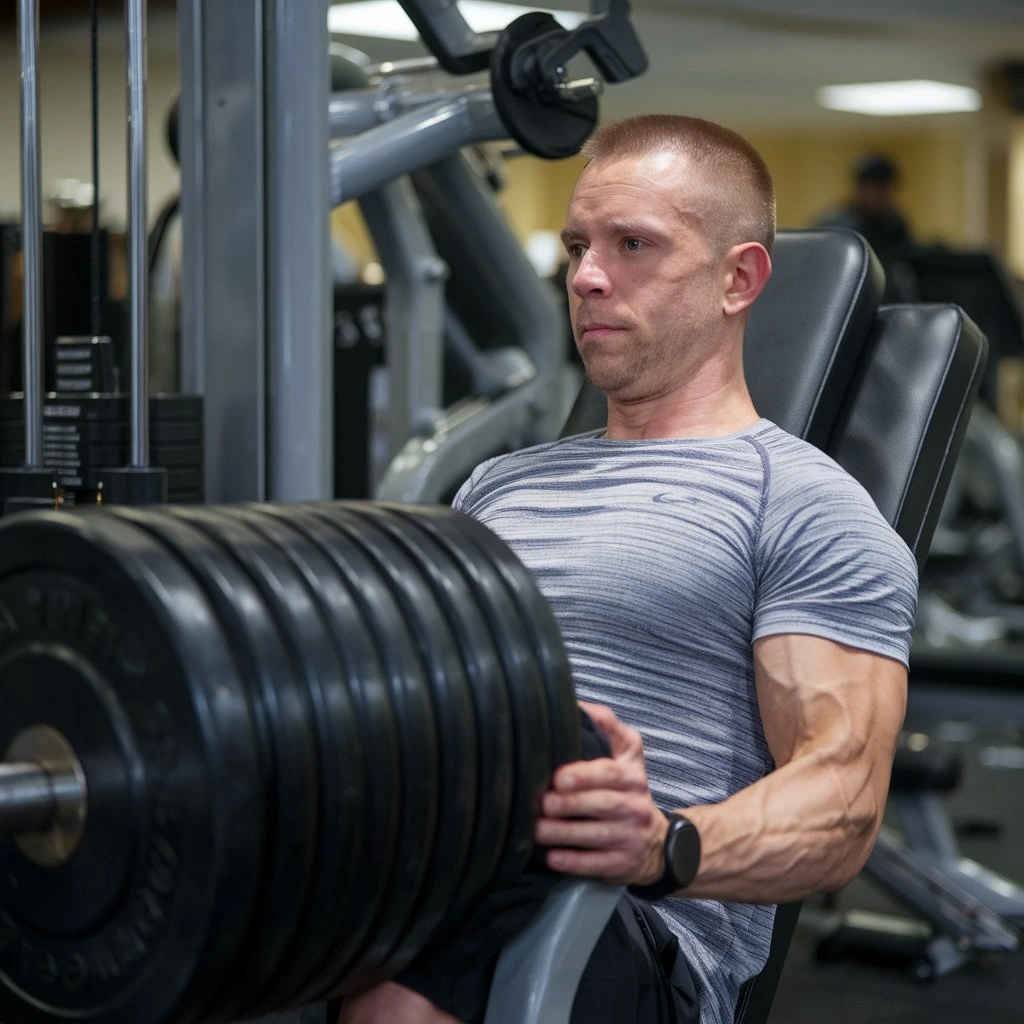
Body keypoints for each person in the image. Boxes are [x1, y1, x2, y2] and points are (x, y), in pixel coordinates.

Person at [340, 114, 918, 1024]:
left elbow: (842, 796)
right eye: (578, 246)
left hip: (625, 925)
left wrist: (660, 844)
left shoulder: (802, 504)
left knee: (430, 949)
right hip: (440, 850)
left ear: (739, 279)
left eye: (633, 245)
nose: (586, 277)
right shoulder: (493, 485)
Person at [816, 153, 914, 278]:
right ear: (861, 188)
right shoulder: (836, 229)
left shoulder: (895, 225)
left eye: (887, 188)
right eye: (876, 188)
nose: (883, 195)